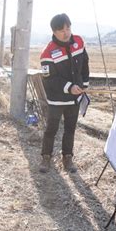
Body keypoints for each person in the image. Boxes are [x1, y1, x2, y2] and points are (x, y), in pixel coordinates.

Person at [39, 13, 90, 173]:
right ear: (54, 31)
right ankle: (46, 157)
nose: (66, 32)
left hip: (75, 98)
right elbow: (50, 80)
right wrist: (69, 87)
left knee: (70, 128)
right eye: (61, 30)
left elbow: (85, 64)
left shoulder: (79, 42)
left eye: (68, 28)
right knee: (51, 129)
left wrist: (84, 83)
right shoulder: (47, 53)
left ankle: (67, 157)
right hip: (57, 99)